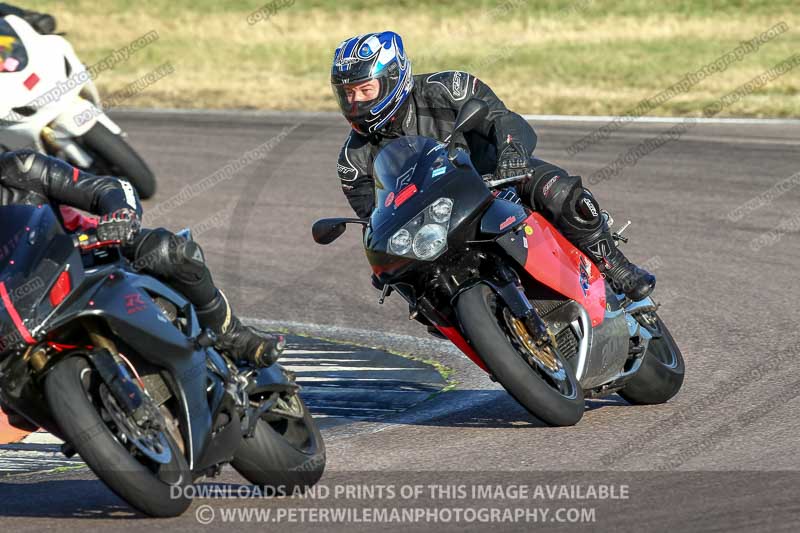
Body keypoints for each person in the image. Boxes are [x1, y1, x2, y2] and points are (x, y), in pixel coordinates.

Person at [331, 31, 655, 301]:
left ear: (391, 79)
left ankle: (614, 264)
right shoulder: (353, 161)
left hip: (497, 180)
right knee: (414, 288)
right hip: (438, 227)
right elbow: (374, 219)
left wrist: (511, 153)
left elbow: (503, 118)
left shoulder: (448, 88)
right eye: (348, 94)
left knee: (556, 191)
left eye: (365, 90)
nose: (356, 102)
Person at [0, 150, 284, 367]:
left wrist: (121, 215)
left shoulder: (20, 169)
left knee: (164, 250)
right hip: (28, 315)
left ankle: (232, 334)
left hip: (93, 260)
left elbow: (106, 187)